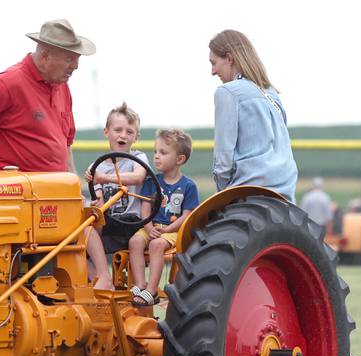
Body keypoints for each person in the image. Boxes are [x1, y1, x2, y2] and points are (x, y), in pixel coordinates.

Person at [0, 19, 115, 289]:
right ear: (45, 55)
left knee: (92, 224)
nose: (76, 66)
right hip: (16, 202)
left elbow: (64, 142)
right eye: (70, 58)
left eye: (77, 58)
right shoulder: (7, 83)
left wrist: (74, 188)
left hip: (51, 200)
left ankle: (100, 284)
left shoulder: (62, 87)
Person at [209, 30, 298, 202]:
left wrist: (221, 194)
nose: (213, 71)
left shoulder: (227, 92)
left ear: (229, 58)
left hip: (247, 192)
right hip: (285, 195)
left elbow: (223, 157)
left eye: (214, 63)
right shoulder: (273, 95)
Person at [129, 129, 199, 306]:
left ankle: (152, 290)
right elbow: (145, 209)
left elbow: (187, 215)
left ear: (179, 159)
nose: (156, 156)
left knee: (156, 245)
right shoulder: (152, 181)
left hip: (172, 231)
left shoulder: (189, 186)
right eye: (155, 152)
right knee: (135, 242)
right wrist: (149, 228)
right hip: (152, 227)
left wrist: (167, 230)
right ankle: (139, 284)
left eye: (163, 152)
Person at [84, 102, 147, 253]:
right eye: (118, 130)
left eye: (129, 132)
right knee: (83, 241)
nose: (123, 135)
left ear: (136, 137)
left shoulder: (138, 158)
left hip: (133, 222)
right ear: (106, 132)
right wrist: (97, 201)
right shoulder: (97, 167)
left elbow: (138, 177)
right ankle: (100, 274)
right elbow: (98, 198)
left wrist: (104, 178)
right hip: (110, 223)